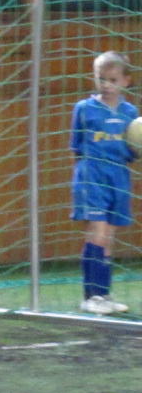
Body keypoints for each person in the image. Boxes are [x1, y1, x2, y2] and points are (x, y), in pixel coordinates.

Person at [70, 50, 136, 315]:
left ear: (126, 81)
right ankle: (91, 296)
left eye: (113, 80)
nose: (107, 85)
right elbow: (76, 147)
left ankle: (104, 294)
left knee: (108, 238)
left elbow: (132, 151)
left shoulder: (131, 113)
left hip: (118, 178)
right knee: (97, 233)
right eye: (102, 79)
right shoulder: (84, 109)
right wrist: (84, 178)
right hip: (92, 177)